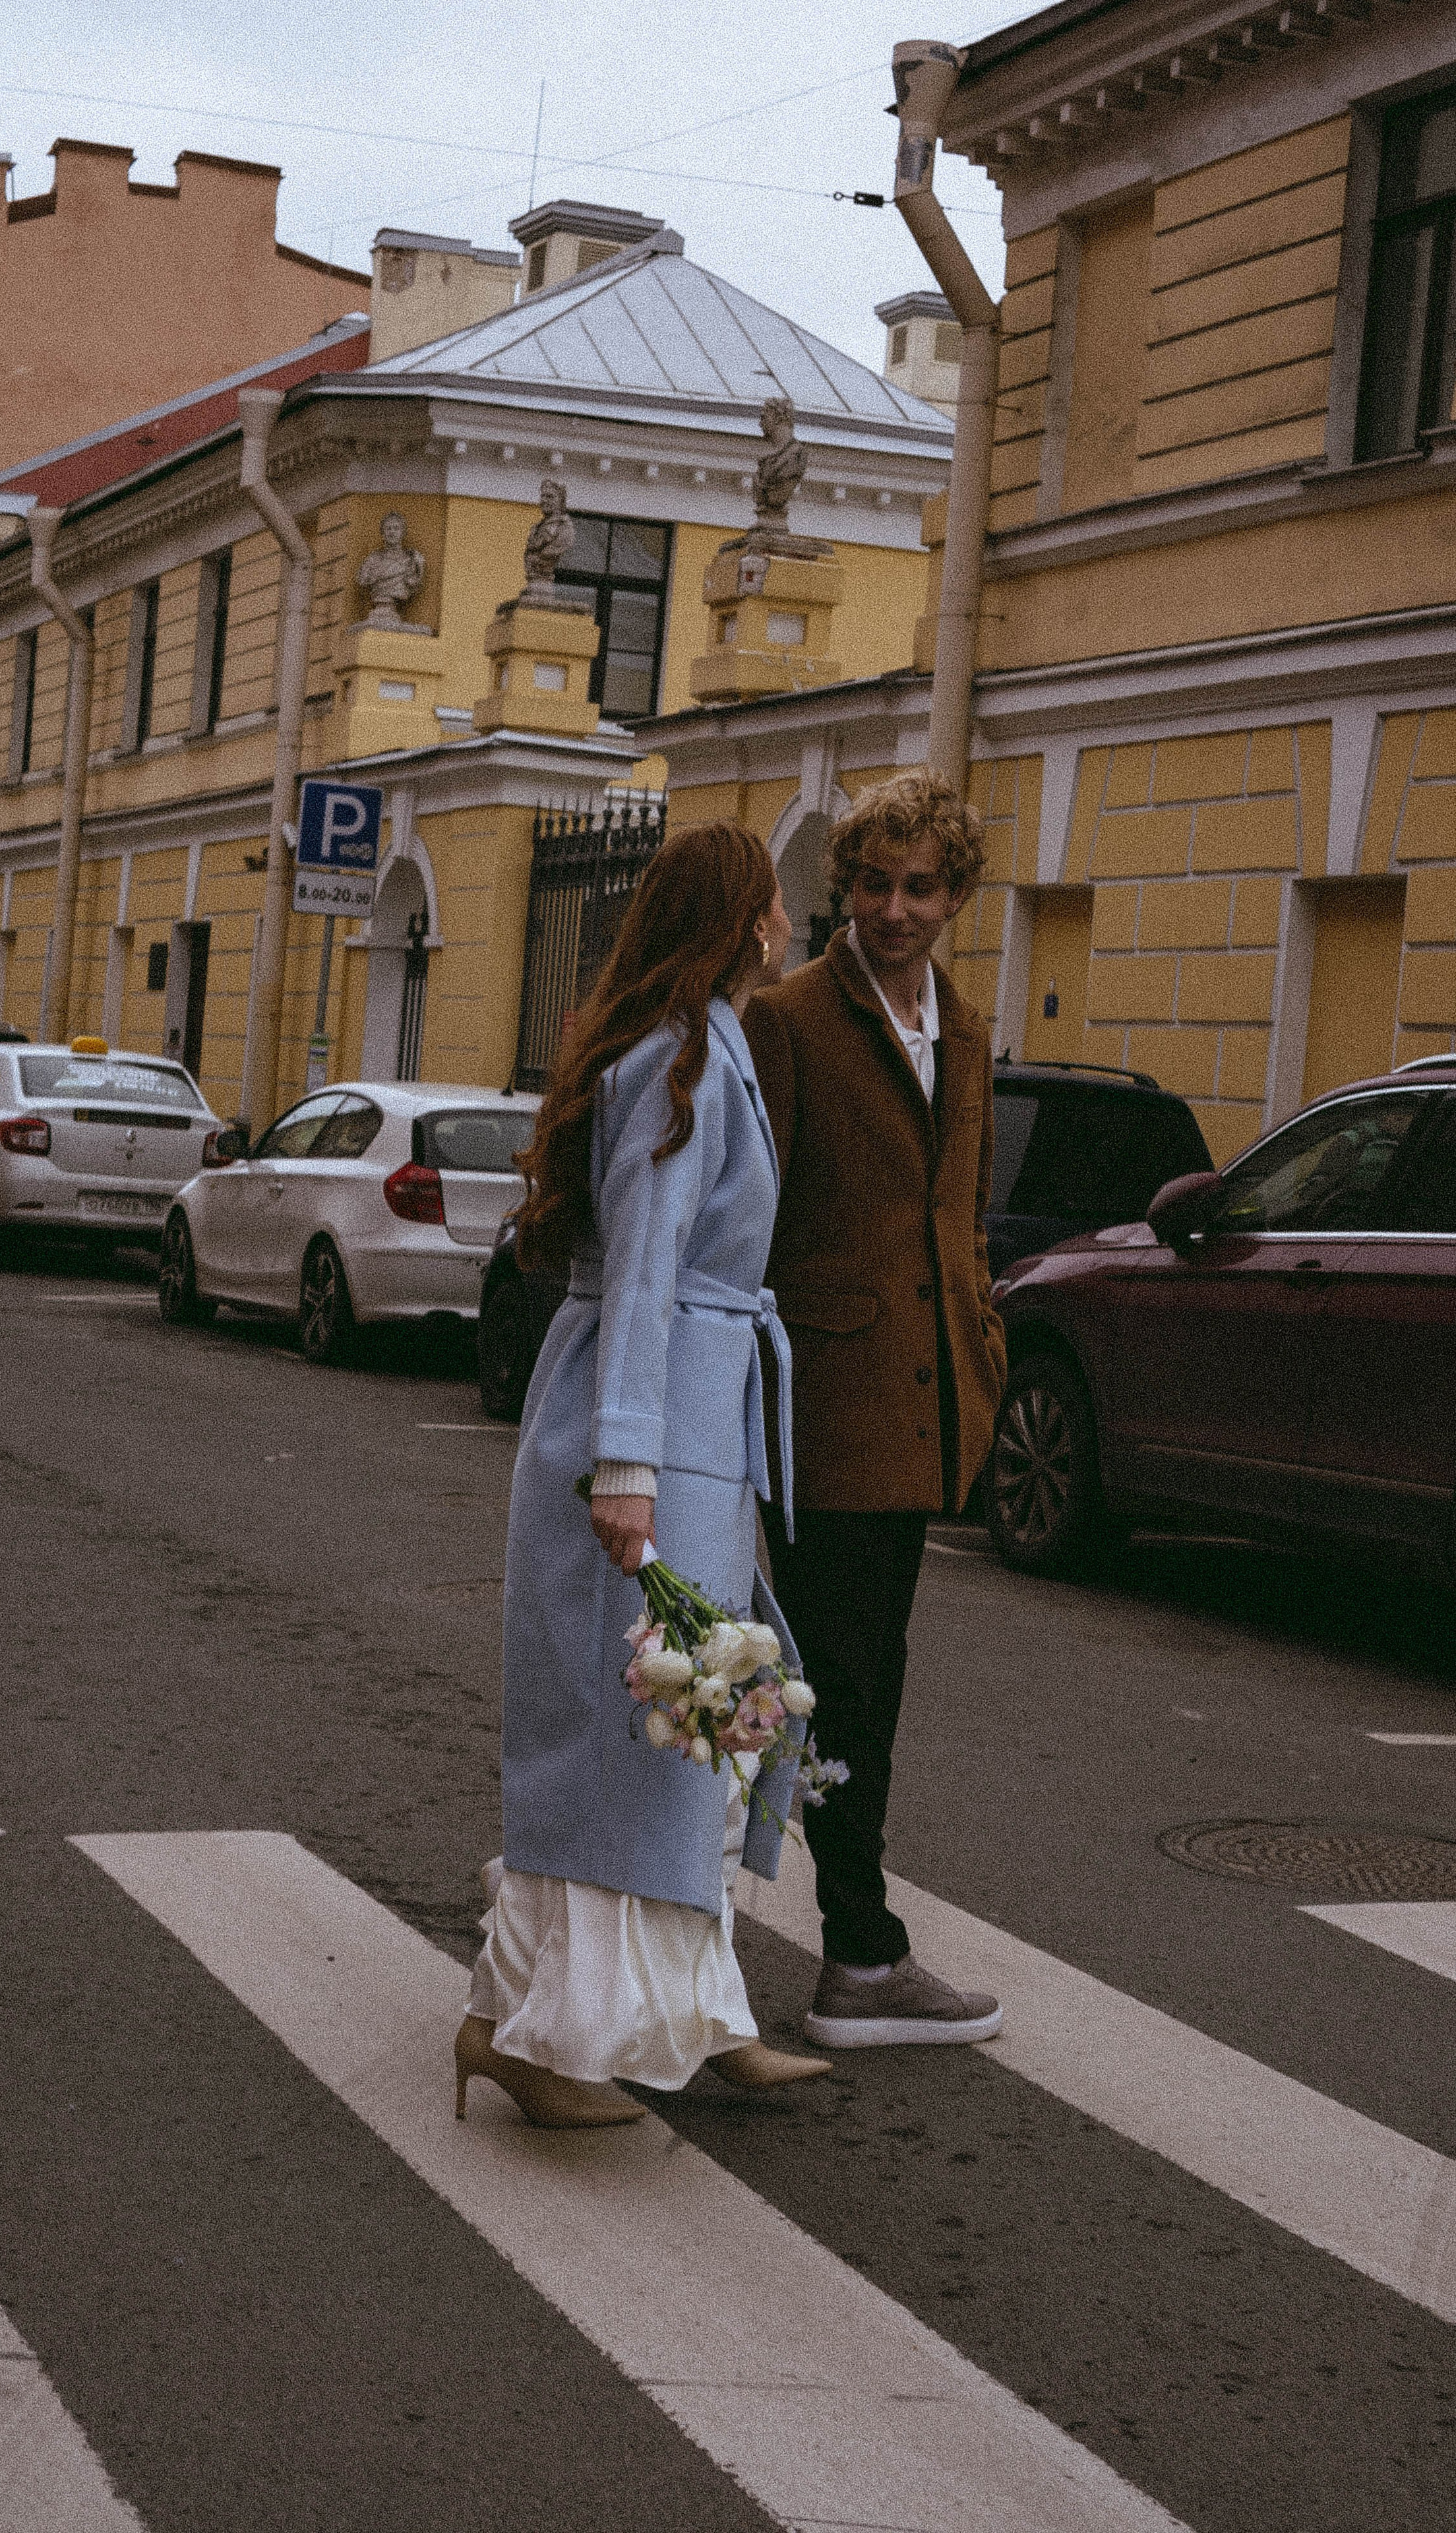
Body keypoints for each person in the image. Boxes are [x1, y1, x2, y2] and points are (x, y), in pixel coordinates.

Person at [456, 823, 831, 2129]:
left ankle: (680, 2006)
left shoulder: (699, 1039)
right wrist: (625, 1467)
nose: (790, 924)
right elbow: (651, 1267)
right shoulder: (672, 1056)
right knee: (645, 1734)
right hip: (652, 1431)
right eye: (775, 905)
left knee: (688, 1730)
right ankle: (553, 2040)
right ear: (736, 919)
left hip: (692, 1424)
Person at [744, 768, 1007, 2049]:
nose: (893, 909)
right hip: (822, 1410)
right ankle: (858, 1950)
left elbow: (956, 1219)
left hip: (925, 1413)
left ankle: (851, 1940)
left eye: (919, 887)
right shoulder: (787, 1019)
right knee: (827, 1684)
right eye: (872, 883)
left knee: (861, 1685)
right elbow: (747, 1223)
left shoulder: (963, 1028)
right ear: (842, 885)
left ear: (953, 896)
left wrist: (984, 1351)